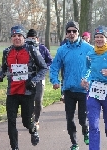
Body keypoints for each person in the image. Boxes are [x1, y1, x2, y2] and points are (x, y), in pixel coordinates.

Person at [0, 25, 48, 150]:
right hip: (12, 92)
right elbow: (4, 68)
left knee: (26, 122)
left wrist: (34, 80)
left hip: (27, 92)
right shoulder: (7, 52)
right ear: (11, 38)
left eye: (19, 35)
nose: (17, 38)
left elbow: (43, 67)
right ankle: (15, 147)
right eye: (14, 36)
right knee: (11, 122)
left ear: (23, 37)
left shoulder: (31, 50)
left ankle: (33, 130)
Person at [49, 20, 94, 150]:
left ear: (78, 32)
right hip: (68, 89)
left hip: (83, 90)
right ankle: (74, 143)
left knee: (82, 118)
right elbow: (54, 67)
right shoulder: (62, 50)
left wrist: (88, 79)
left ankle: (86, 132)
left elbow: (94, 67)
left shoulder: (88, 48)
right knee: (69, 119)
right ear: (66, 33)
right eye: (69, 31)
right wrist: (55, 81)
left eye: (74, 31)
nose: (72, 33)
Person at [81, 25, 107, 150]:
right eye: (96, 37)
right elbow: (86, 69)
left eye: (101, 37)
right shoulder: (90, 53)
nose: (99, 39)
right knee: (93, 124)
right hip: (94, 91)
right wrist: (84, 79)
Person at [26, 29, 53, 130]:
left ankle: (36, 119)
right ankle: (30, 118)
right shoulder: (24, 48)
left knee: (38, 100)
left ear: (37, 39)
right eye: (29, 38)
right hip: (28, 79)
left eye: (33, 38)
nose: (31, 40)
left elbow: (50, 61)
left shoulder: (42, 48)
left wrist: (45, 67)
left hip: (40, 78)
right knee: (29, 101)